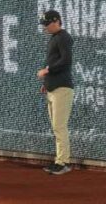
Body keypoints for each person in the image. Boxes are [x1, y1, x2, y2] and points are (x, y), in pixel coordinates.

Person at [38, 10, 74, 175]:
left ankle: (63, 162)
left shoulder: (63, 37)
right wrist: (47, 82)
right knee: (56, 127)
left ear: (56, 21)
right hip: (54, 88)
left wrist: (47, 71)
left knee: (59, 127)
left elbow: (66, 61)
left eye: (47, 24)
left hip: (62, 88)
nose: (45, 27)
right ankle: (59, 160)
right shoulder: (56, 38)